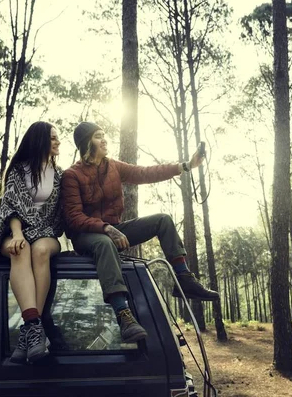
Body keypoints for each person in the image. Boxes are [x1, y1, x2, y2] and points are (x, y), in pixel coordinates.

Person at [61, 121, 219, 344]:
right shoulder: (71, 175)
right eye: (98, 136)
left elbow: (146, 173)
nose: (104, 140)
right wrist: (105, 228)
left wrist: (186, 165)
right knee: (105, 244)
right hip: (87, 235)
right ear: (87, 142)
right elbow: (74, 218)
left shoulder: (113, 167)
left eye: (104, 135)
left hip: (114, 229)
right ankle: (123, 315)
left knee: (163, 220)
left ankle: (183, 278)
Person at [0, 121, 63, 364]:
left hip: (47, 232)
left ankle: (30, 332)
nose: (57, 142)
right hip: (15, 230)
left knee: (40, 249)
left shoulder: (60, 175)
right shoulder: (18, 171)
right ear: (40, 139)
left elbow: (65, 211)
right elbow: (10, 206)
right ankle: (34, 328)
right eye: (52, 138)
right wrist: (17, 234)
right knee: (21, 249)